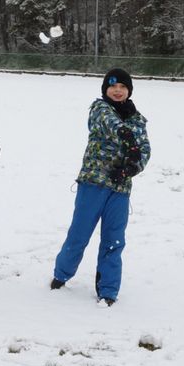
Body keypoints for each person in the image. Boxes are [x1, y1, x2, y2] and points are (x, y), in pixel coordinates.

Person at [50, 68, 151, 306]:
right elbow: (109, 123)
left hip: (120, 188)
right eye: (113, 86)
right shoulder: (99, 109)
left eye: (123, 87)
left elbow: (145, 150)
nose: (118, 91)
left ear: (129, 91)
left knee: (114, 240)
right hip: (94, 183)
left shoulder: (137, 120)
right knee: (79, 234)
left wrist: (131, 168)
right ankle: (61, 274)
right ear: (106, 90)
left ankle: (108, 290)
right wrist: (126, 136)